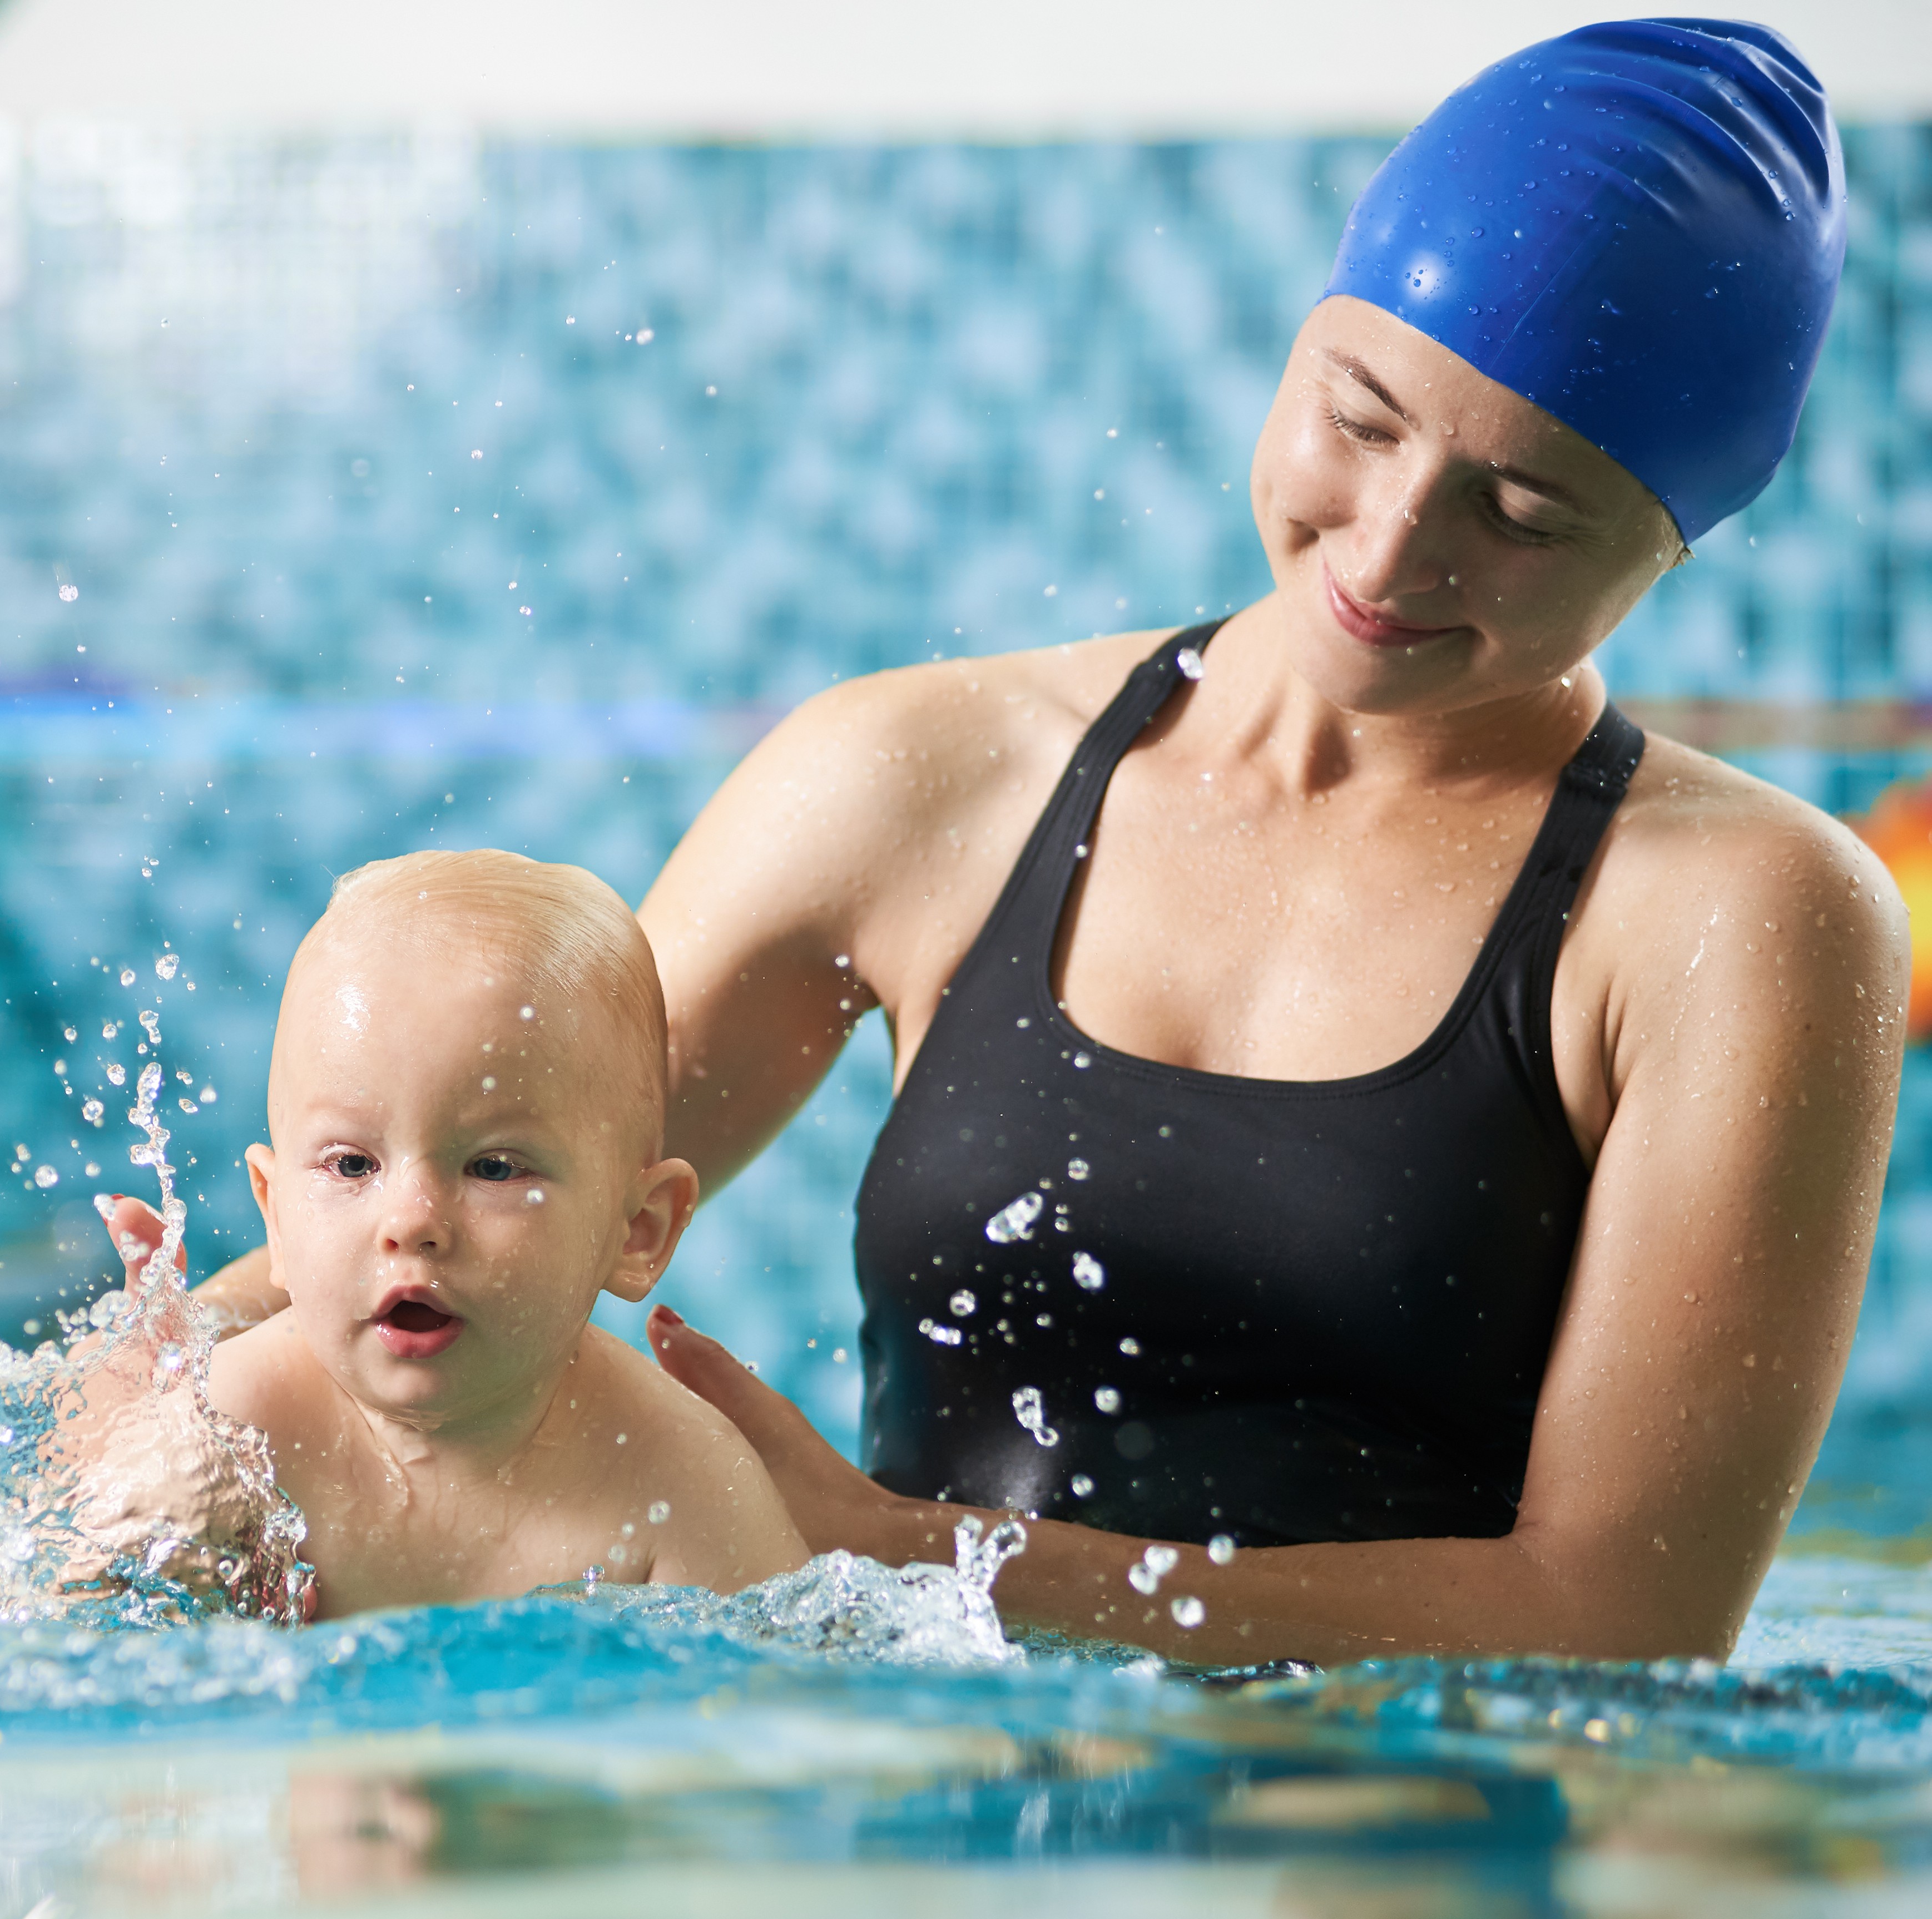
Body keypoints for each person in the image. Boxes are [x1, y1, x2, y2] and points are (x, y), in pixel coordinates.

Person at [624, 20, 1905, 1664]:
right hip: (927, 1845)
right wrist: (202, 1365)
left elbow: (1620, 1618)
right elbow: (467, 1191)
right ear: (1296, 346)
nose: (1386, 548)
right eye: (1359, 419)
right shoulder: (923, 772)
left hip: (1389, 1871)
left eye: (1519, 516)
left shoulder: (1740, 918)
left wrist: (900, 1555)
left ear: (1672, 540)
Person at [92, 849, 806, 1620]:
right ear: (275, 1214)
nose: (412, 1221)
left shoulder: (682, 1483)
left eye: (494, 1168)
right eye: (353, 1163)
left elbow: (776, 1715)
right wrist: (133, 1502)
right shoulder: (231, 1431)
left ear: (638, 1230)